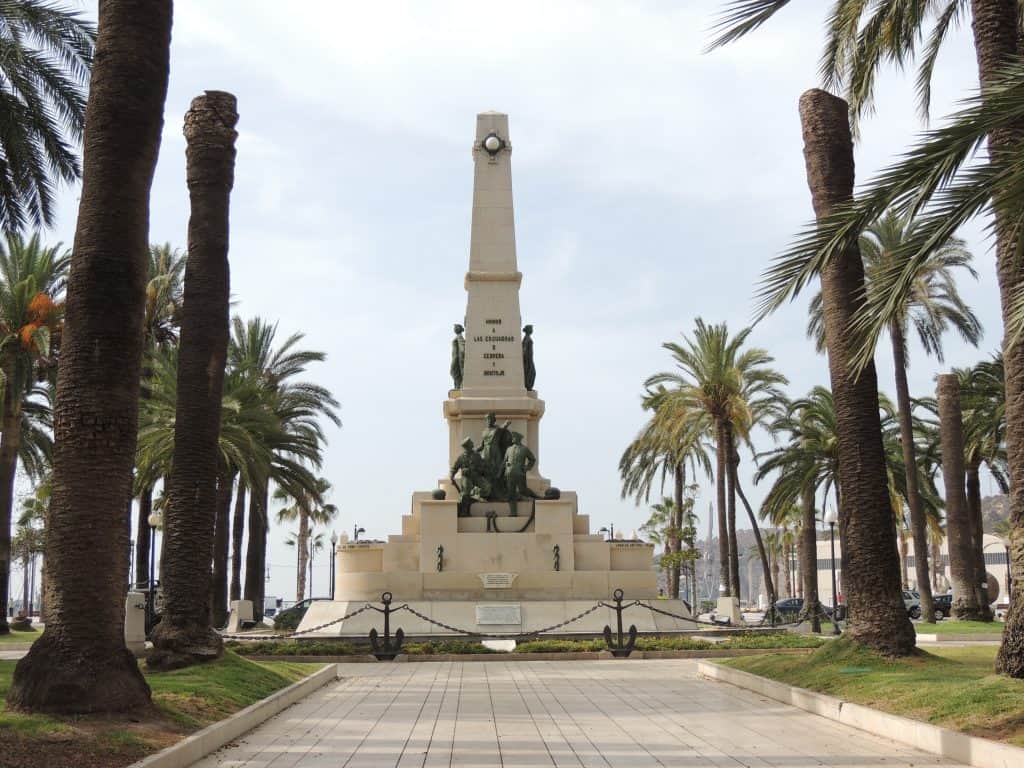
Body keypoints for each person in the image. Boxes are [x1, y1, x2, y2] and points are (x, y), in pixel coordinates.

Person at [503, 431, 537, 517]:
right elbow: (504, 461)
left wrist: (527, 468)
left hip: (520, 473)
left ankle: (536, 497)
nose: (512, 439)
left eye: (514, 437)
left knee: (523, 490)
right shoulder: (508, 449)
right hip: (510, 473)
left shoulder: (524, 449)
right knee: (511, 493)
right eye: (512, 437)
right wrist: (503, 470)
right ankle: (513, 512)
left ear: (518, 438)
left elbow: (532, 459)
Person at [450, 323, 465, 390]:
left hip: (457, 358)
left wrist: (461, 357)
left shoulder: (459, 337)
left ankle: (458, 386)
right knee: (454, 372)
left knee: (454, 371)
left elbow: (462, 348)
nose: (454, 329)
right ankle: (457, 386)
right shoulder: (457, 337)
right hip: (455, 357)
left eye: (456, 327)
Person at [522, 324, 536, 390]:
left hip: (530, 359)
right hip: (528, 359)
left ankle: (528, 386)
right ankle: (528, 386)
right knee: (531, 373)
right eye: (531, 328)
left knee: (532, 373)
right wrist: (526, 359)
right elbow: (524, 349)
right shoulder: (526, 339)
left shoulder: (527, 338)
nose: (532, 330)